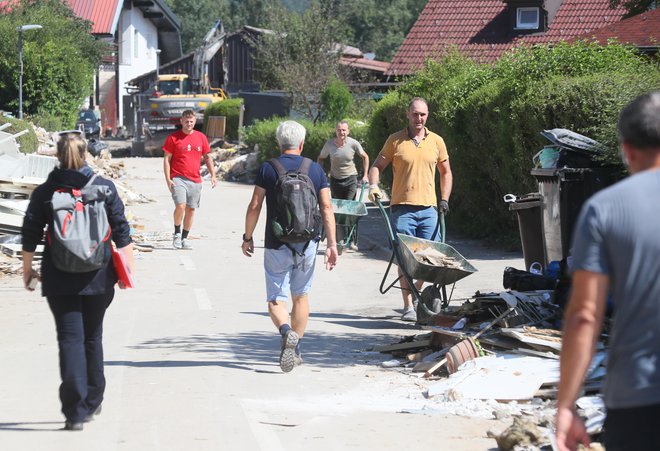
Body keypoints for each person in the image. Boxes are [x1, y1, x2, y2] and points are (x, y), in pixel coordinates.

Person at [555, 91, 660, 451]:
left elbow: (585, 316)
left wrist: (567, 404)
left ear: (627, 150)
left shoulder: (604, 209)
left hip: (638, 399)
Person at [21, 131, 134, 431]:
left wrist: (27, 270)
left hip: (59, 276)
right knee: (92, 337)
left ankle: (74, 411)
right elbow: (122, 232)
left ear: (57, 155)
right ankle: (93, 399)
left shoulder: (46, 191)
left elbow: (30, 234)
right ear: (86, 154)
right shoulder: (105, 188)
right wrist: (126, 273)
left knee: (70, 339)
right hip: (99, 276)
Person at [242, 120, 338, 373]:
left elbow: (255, 205)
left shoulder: (268, 168)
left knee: (276, 299)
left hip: (276, 243)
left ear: (278, 143)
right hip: (307, 243)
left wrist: (247, 236)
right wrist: (332, 244)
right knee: (301, 296)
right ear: (302, 143)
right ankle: (295, 351)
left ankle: (285, 331)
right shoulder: (315, 170)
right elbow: (327, 208)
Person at [368, 97, 453, 322]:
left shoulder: (436, 141)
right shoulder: (395, 141)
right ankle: (407, 306)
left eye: (423, 114)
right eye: (415, 114)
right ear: (408, 114)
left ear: (428, 116)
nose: (419, 118)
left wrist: (444, 199)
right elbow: (377, 166)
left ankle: (417, 292)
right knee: (405, 260)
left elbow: (446, 172)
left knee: (427, 259)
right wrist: (373, 186)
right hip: (401, 209)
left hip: (429, 210)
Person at [163, 109, 217, 250]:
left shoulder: (201, 137)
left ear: (195, 122)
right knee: (181, 205)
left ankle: (185, 238)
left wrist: (213, 174)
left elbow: (207, 157)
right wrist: (168, 179)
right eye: (186, 121)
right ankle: (176, 233)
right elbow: (167, 159)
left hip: (195, 179)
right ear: (181, 121)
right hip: (178, 177)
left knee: (191, 209)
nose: (188, 124)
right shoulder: (173, 138)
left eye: (191, 121)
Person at [317, 120, 369, 250]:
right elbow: (321, 158)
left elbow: (365, 156)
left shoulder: (353, 143)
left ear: (348, 131)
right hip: (335, 180)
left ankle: (351, 240)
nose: (342, 132)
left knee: (349, 210)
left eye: (344, 130)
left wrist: (365, 175)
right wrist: (320, 172)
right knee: (338, 211)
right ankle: (339, 239)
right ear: (336, 131)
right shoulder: (329, 144)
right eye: (339, 130)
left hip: (351, 179)